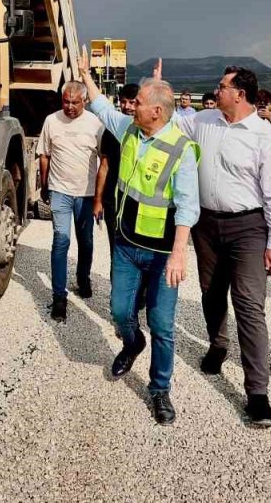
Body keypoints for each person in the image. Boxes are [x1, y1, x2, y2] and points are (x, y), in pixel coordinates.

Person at [158, 60, 271, 427]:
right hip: (206, 224)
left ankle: (257, 393)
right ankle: (217, 343)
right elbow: (168, 120)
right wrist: (158, 88)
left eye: (222, 86)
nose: (216, 91)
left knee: (249, 304)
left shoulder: (265, 138)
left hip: (249, 227)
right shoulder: (203, 122)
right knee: (210, 292)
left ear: (240, 94)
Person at [81, 48, 200, 426]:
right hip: (127, 246)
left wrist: (180, 254)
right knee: (119, 312)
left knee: (163, 324)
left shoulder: (181, 150)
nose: (132, 107)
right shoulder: (130, 130)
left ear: (158, 112)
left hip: (164, 253)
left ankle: (159, 389)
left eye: (140, 103)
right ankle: (132, 344)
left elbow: (188, 207)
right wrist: (86, 75)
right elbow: (102, 108)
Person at [36, 81, 107, 322]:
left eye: (74, 102)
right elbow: (44, 155)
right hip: (60, 191)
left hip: (86, 195)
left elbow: (104, 164)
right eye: (65, 101)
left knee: (85, 242)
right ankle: (59, 296)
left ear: (85, 101)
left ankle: (83, 278)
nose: (69, 107)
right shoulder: (51, 121)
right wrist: (44, 185)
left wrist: (99, 197)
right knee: (60, 240)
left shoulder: (96, 124)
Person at [100, 83, 140, 254]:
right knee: (115, 248)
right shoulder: (111, 130)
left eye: (132, 102)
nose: (127, 107)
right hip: (113, 198)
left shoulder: (151, 131)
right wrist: (98, 200)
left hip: (138, 200)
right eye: (124, 102)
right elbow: (104, 167)